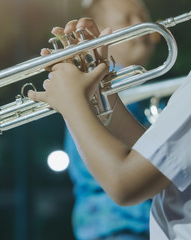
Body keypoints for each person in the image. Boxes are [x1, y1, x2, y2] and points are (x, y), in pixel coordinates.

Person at [29, 0, 191, 239]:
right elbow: (165, 172)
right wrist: (99, 91)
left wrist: (71, 102)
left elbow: (124, 183)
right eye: (127, 19)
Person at [53, 0, 158, 239]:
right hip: (118, 228)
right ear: (98, 33)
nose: (140, 24)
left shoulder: (150, 89)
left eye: (143, 16)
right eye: (127, 19)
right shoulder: (100, 88)